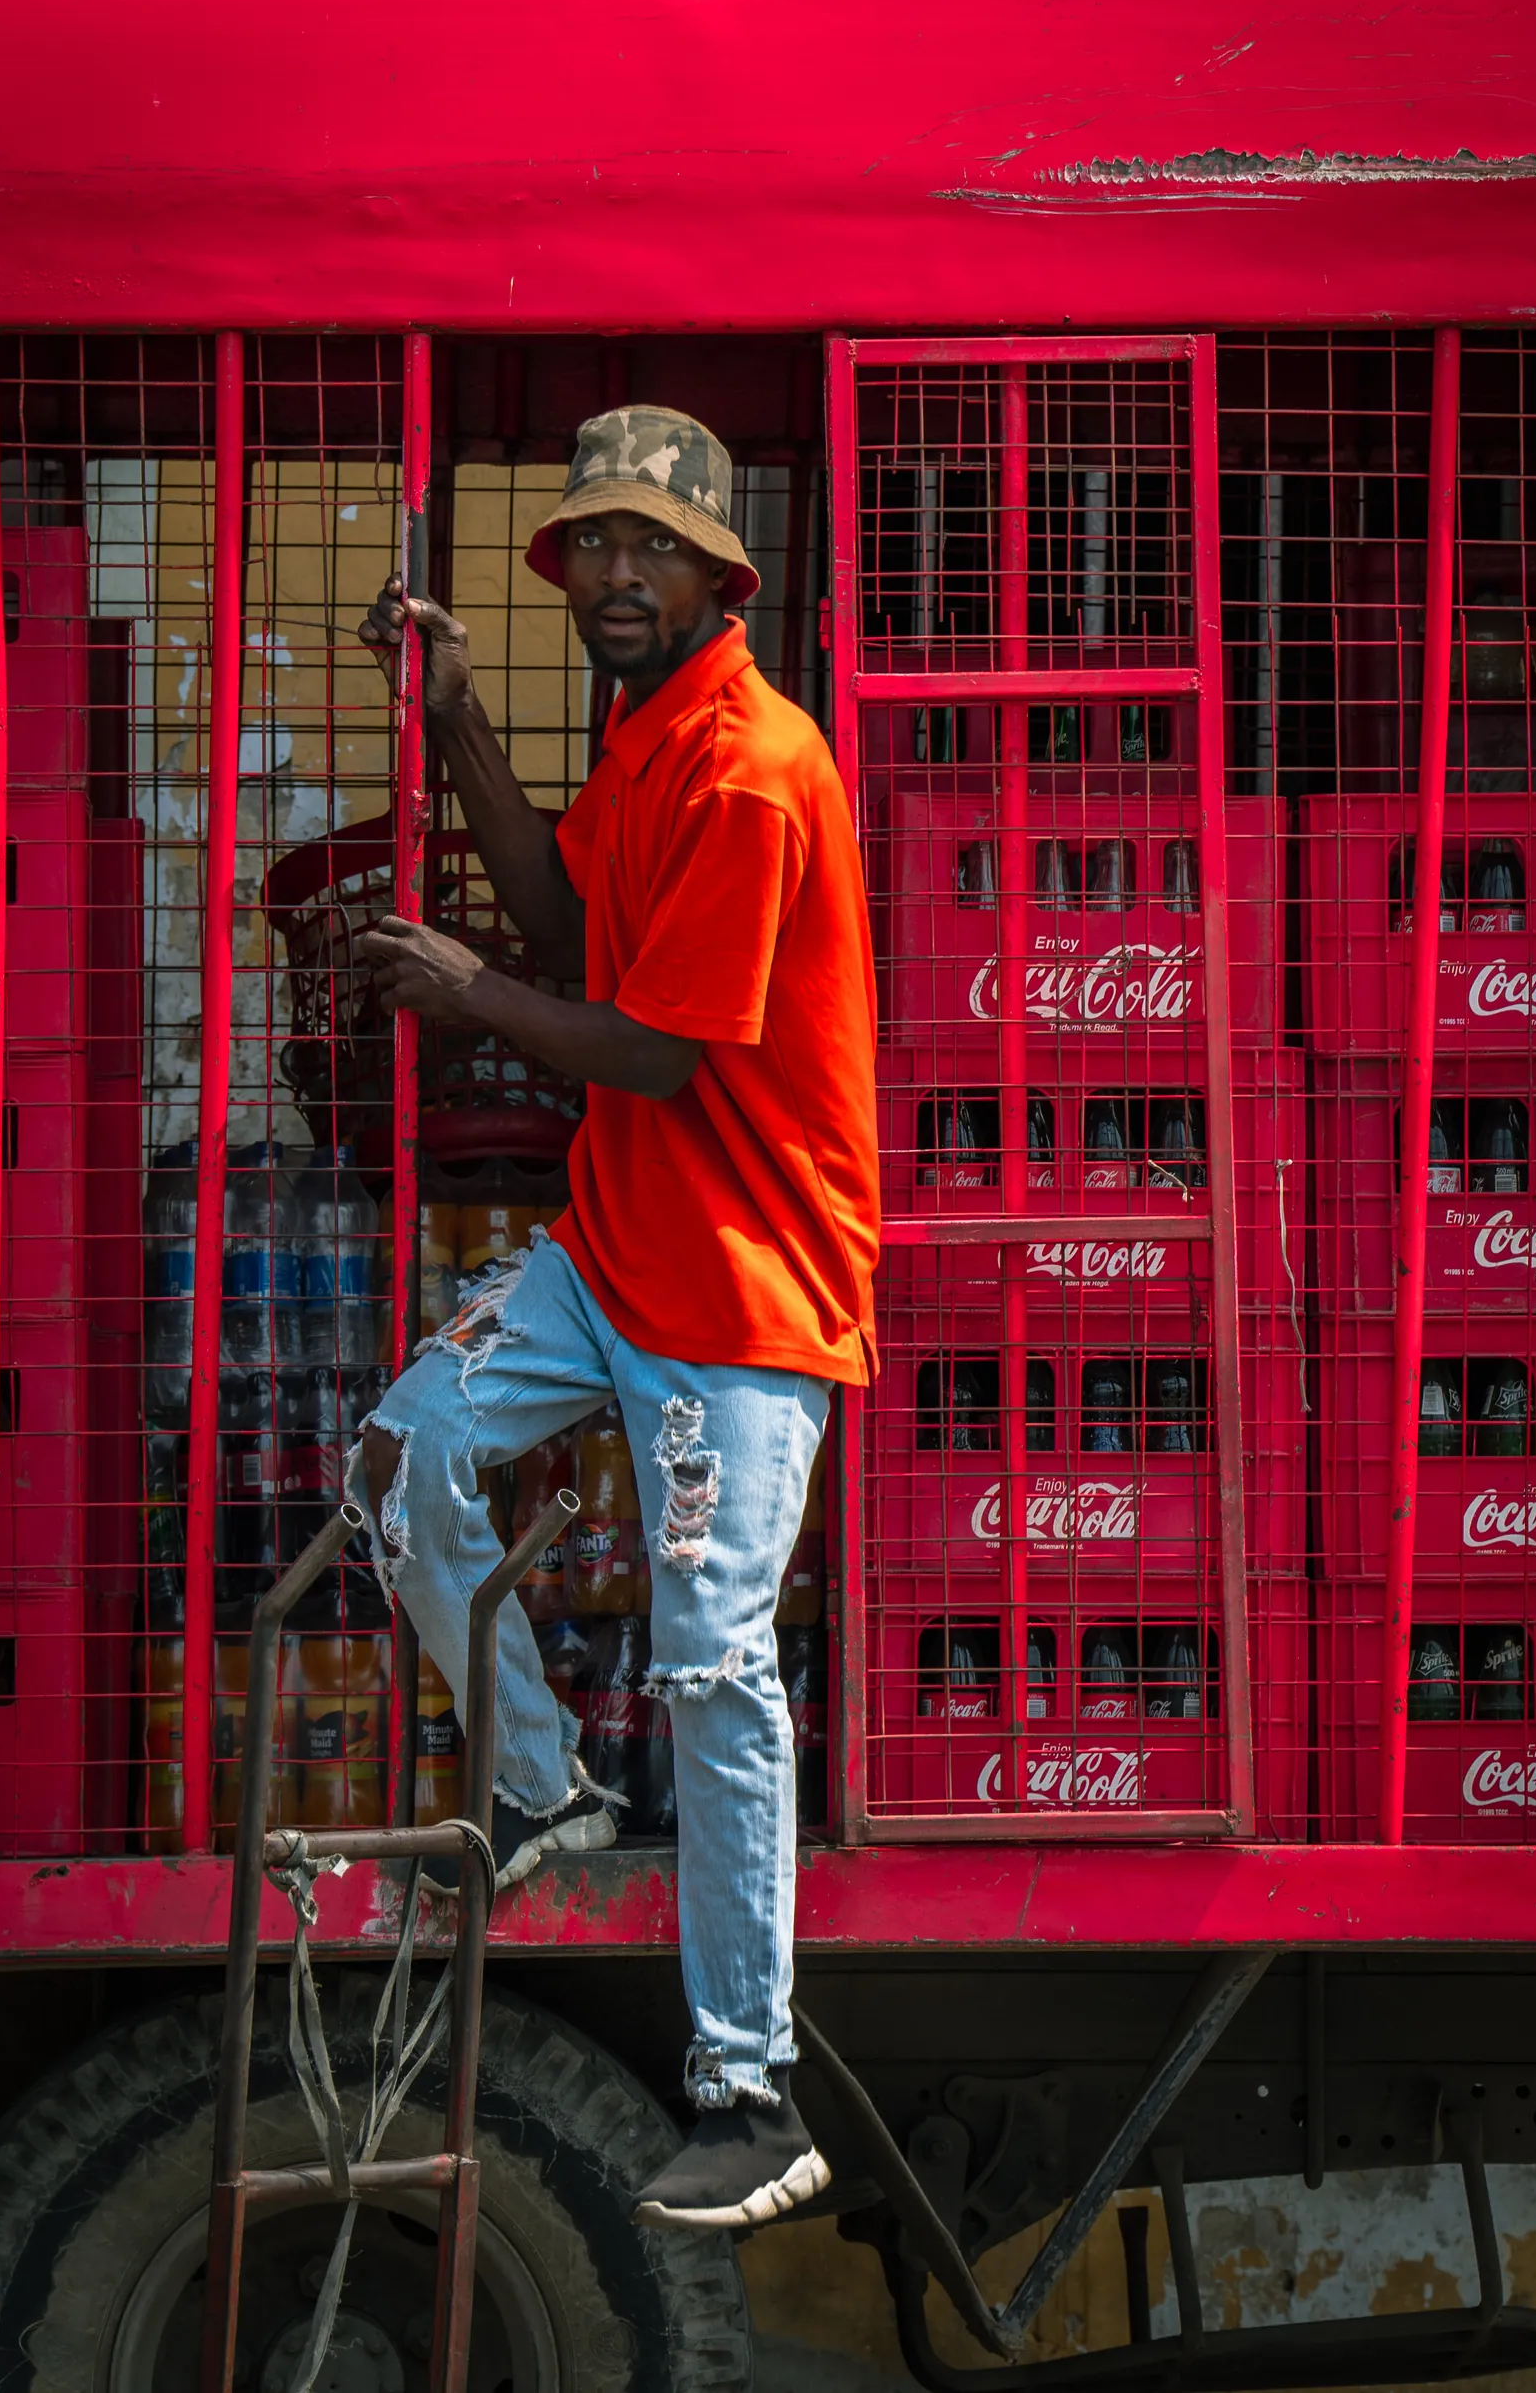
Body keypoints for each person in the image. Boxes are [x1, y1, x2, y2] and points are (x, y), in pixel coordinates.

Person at [350, 405, 879, 2232]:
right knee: (402, 1457)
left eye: (655, 546)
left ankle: (752, 2092)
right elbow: (578, 933)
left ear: (724, 577)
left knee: (714, 1665)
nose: (617, 574)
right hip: (616, 1247)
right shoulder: (646, 735)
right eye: (596, 544)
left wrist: (461, 990)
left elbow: (649, 1049)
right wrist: (455, 722)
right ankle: (540, 1784)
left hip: (744, 1281)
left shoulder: (751, 764)